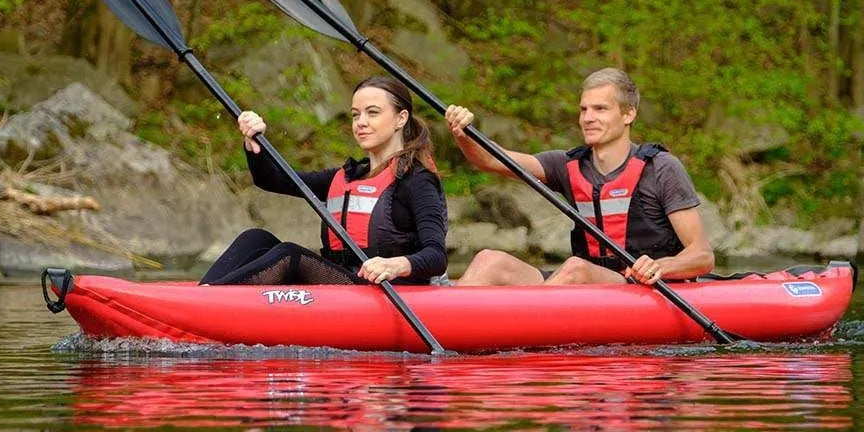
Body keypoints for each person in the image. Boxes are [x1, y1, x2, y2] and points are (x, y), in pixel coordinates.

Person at [444, 67, 713, 287]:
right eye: (584, 110)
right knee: (489, 260)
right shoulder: (566, 164)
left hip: (639, 289)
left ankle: (526, 323)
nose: (588, 118)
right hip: (583, 289)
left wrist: (660, 266)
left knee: (575, 269)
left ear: (628, 114)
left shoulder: (662, 168)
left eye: (600, 109)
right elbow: (490, 159)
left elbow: (702, 256)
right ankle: (446, 325)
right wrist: (463, 133)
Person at [200, 76, 448, 287]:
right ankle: (204, 295)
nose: (360, 122)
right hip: (341, 286)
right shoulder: (347, 176)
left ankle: (207, 304)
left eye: (372, 113)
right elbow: (271, 180)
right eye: (355, 114)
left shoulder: (417, 180)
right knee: (256, 238)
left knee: (290, 255)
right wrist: (255, 144)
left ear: (400, 119)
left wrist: (396, 265)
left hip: (386, 290)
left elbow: (436, 256)